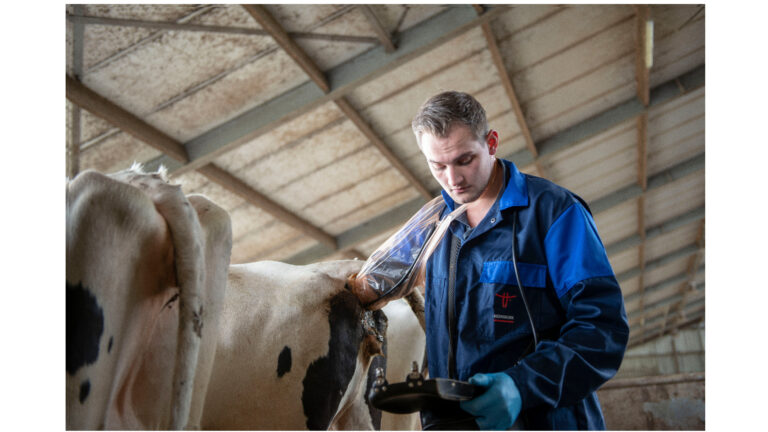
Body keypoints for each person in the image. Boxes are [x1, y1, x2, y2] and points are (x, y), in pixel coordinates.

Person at [410, 91, 629, 430]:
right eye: (437, 166)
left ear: (492, 143)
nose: (452, 179)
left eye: (464, 160)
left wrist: (521, 385)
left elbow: (602, 329)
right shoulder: (435, 228)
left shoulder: (554, 213)